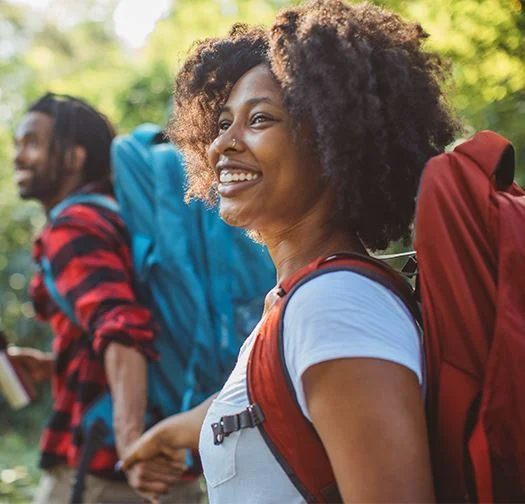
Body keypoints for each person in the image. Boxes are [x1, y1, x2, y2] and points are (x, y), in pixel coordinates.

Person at [121, 0, 461, 502]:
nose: (223, 145)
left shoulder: (334, 306)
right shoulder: (299, 300)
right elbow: (282, 396)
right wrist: (179, 430)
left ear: (332, 142)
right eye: (220, 123)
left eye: (259, 119)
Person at [9, 93, 202, 503]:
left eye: (31, 143)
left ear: (74, 158)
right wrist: (52, 366)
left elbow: (122, 328)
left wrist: (129, 442)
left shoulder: (74, 226)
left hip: (108, 470)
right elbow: (130, 321)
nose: (17, 156)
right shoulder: (117, 214)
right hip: (167, 448)